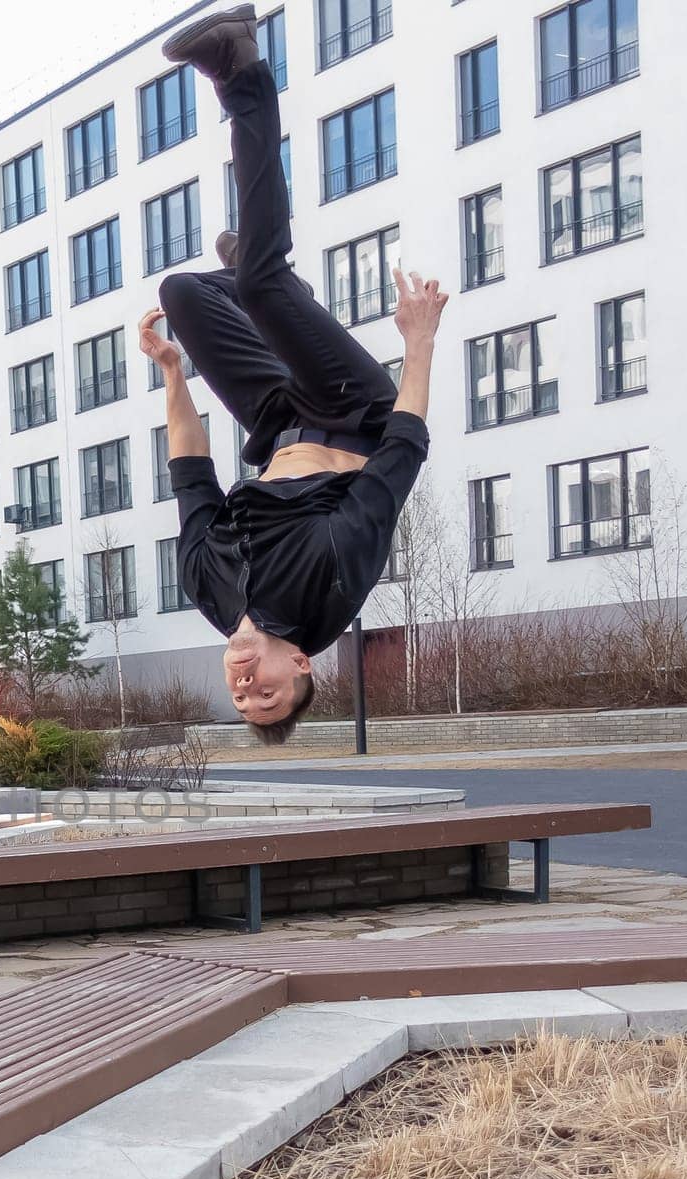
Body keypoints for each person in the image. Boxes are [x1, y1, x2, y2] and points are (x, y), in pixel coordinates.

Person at [144, 3, 449, 743]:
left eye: (243, 702)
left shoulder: (209, 592)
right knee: (260, 282)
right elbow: (399, 460)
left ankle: (263, 282)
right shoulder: (333, 587)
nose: (248, 689)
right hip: (356, 411)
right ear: (304, 665)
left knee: (183, 295)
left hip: (276, 417)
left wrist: (174, 377)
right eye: (269, 697)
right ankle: (241, 70)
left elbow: (190, 473)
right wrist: (419, 343)